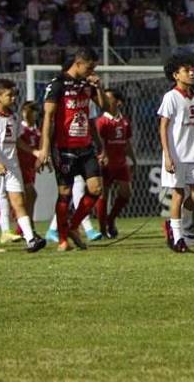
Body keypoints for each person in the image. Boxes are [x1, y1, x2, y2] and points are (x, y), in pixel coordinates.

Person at [36, 47, 108, 252]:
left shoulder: (87, 84)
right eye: (90, 67)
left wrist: (99, 88)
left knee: (96, 189)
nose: (92, 71)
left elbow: (104, 108)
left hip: (86, 146)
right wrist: (44, 149)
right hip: (64, 147)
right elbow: (48, 118)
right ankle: (62, 240)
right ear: (78, 63)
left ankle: (73, 226)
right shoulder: (57, 84)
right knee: (65, 193)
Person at [0, 79, 47, 253]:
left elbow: (17, 141)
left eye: (14, 94)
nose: (13, 98)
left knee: (19, 201)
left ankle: (30, 239)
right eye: (9, 95)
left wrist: (34, 152)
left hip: (12, 165)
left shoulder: (13, 117)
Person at [157, 53, 194, 254]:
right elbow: (163, 127)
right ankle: (178, 239)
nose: (191, 73)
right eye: (186, 70)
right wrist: (167, 155)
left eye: (191, 69)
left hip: (193, 154)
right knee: (178, 194)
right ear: (176, 75)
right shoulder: (171, 97)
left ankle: (173, 224)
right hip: (176, 154)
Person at [96, 89, 134, 239]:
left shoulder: (124, 121)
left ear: (118, 102)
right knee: (103, 195)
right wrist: (102, 155)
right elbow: (97, 141)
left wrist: (133, 158)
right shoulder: (101, 121)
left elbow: (127, 141)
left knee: (126, 193)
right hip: (106, 163)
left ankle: (110, 219)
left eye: (108, 98)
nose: (105, 100)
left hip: (121, 162)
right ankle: (102, 229)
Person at [8, 101, 42, 244]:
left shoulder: (37, 130)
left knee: (28, 197)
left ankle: (21, 230)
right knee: (31, 195)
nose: (29, 114)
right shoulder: (20, 129)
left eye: (33, 111)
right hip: (19, 167)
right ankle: (27, 229)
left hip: (30, 167)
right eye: (27, 111)